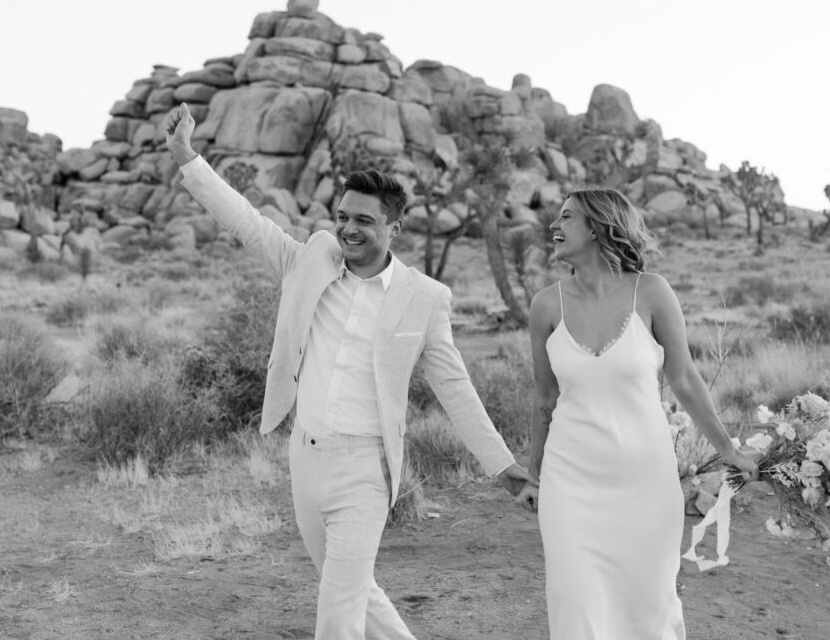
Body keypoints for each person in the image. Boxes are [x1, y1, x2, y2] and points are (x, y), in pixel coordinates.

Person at [164, 104, 536, 640]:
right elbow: (248, 222)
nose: (348, 229)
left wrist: (505, 469)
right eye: (342, 216)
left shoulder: (425, 299)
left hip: (367, 469)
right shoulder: (311, 258)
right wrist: (188, 159)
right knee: (354, 591)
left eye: (364, 220)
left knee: (337, 616)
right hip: (305, 458)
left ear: (395, 227)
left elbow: (456, 390)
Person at [515, 188, 758, 639]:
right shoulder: (546, 305)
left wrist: (729, 450)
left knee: (648, 609)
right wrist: (534, 476)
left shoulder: (652, 292)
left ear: (598, 226)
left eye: (567, 217)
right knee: (575, 606)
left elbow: (685, 380)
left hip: (646, 482)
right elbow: (543, 397)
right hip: (570, 483)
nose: (554, 225)